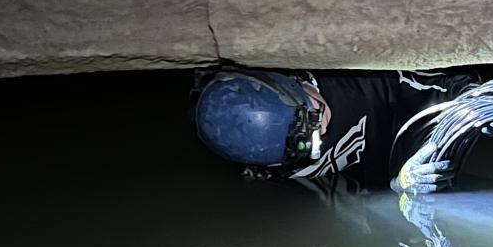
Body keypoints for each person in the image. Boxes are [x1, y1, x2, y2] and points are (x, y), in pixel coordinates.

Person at [192, 68, 475, 191]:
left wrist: (473, 96)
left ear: (292, 82)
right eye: (304, 145)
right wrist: (397, 186)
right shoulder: (274, 171)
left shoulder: (350, 79)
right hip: (378, 176)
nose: (323, 130)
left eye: (311, 116)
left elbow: (435, 82)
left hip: (398, 125)